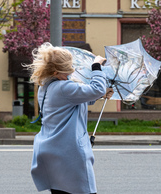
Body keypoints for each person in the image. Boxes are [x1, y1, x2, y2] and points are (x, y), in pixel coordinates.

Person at [30, 43, 114, 194]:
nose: (71, 71)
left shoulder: (46, 87)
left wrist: (100, 95)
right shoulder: (64, 87)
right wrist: (96, 66)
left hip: (51, 151)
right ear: (56, 72)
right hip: (68, 153)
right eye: (68, 70)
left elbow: (74, 100)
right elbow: (96, 89)